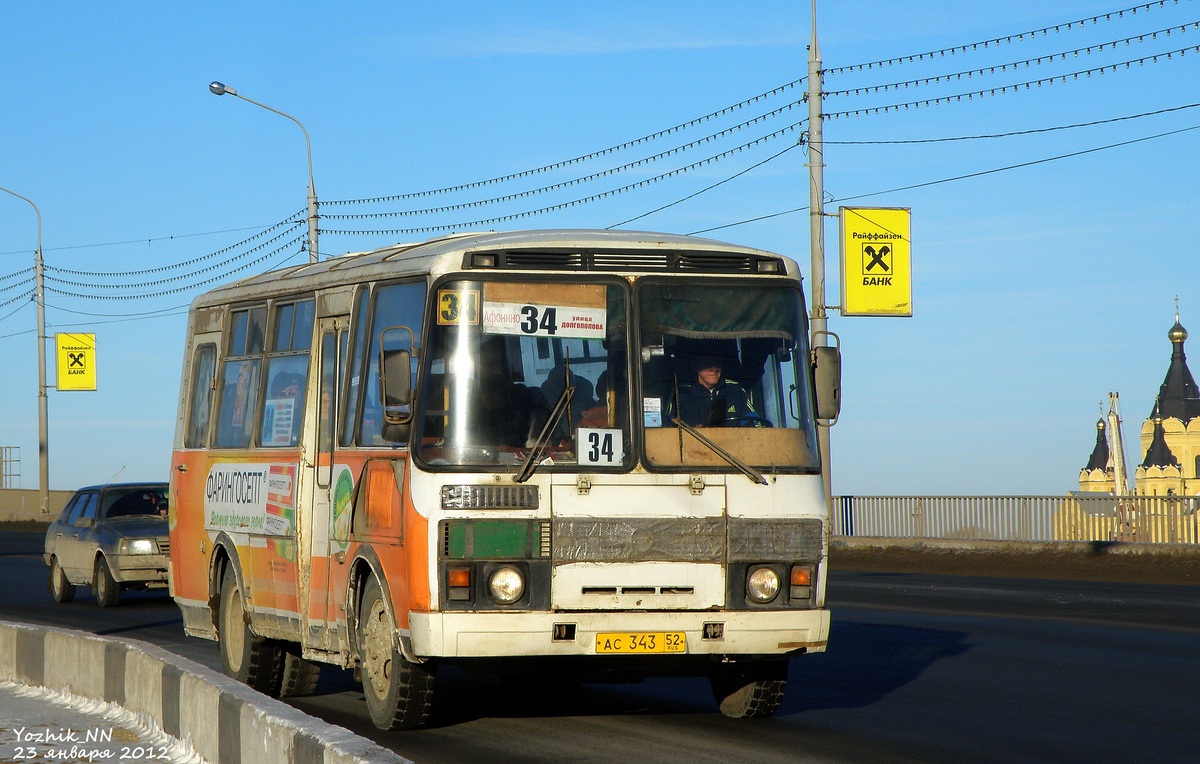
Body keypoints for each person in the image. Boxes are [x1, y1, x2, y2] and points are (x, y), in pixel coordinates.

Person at [671, 355, 755, 427]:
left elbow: (756, 423)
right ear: (695, 365)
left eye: (718, 364)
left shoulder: (735, 390)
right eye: (708, 364)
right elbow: (668, 428)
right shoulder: (681, 394)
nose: (714, 369)